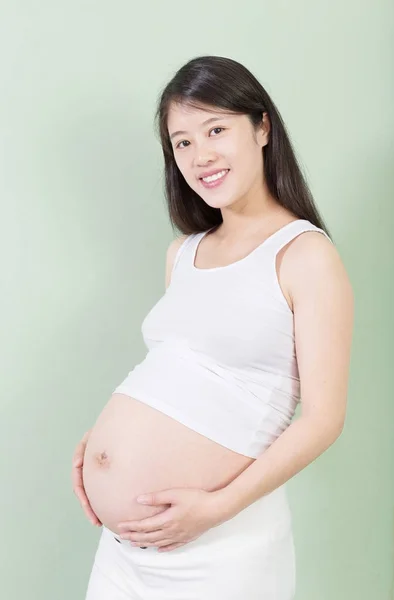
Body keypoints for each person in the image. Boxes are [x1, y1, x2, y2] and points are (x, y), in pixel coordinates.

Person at [72, 55, 354, 599]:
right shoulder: (184, 252)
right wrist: (101, 450)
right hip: (124, 555)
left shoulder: (304, 254)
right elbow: (184, 365)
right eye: (181, 142)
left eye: (216, 130)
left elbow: (324, 418)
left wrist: (213, 508)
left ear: (263, 127)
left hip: (220, 543)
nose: (200, 156)